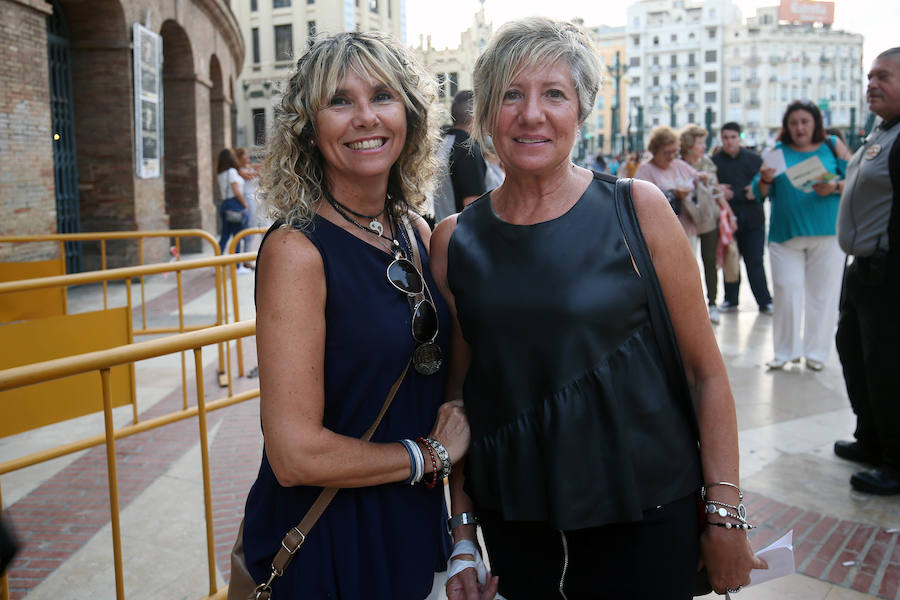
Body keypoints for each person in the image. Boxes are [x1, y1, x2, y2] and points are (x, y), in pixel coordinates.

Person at [430, 17, 763, 599]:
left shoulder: (638, 208)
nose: (532, 113)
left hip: (645, 510)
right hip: (518, 522)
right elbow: (461, 400)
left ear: (580, 111)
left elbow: (705, 371)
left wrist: (724, 513)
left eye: (554, 93)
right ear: (485, 113)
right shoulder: (455, 239)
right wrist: (462, 534)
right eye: (511, 94)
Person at [236, 31, 473, 599]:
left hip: (411, 525)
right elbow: (294, 453)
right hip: (331, 541)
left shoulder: (416, 230)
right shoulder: (297, 251)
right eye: (340, 101)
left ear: (410, 116)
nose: (365, 117)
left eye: (383, 97)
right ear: (308, 128)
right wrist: (430, 455)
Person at [834, 47, 900, 495]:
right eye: (870, 75)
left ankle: (895, 462)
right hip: (861, 270)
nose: (872, 83)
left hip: (888, 272)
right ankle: (871, 438)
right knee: (854, 352)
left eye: (884, 77)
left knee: (888, 367)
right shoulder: (881, 130)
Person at [753, 101, 851, 371]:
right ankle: (785, 352)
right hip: (785, 236)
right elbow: (758, 193)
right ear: (787, 126)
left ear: (815, 123)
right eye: (794, 122)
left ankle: (816, 353)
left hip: (828, 234)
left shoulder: (832, 144)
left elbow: (858, 177)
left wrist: (833, 186)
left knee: (823, 295)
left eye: (805, 121)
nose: (799, 127)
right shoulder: (778, 151)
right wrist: (765, 179)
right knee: (786, 290)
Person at [712, 123, 773, 314]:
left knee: (755, 260)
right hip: (727, 221)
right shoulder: (714, 162)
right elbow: (709, 187)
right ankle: (730, 300)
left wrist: (756, 191)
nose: (729, 141)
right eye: (725, 137)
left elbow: (766, 185)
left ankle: (764, 301)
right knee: (731, 260)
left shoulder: (755, 159)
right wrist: (718, 189)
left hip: (754, 219)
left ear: (740, 138)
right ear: (721, 139)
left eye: (733, 137)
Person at [681, 124, 736, 324]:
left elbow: (716, 192)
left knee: (709, 260)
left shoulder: (706, 164)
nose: (704, 146)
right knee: (688, 262)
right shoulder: (678, 164)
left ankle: (712, 303)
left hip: (708, 217)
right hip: (686, 219)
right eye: (700, 143)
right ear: (689, 145)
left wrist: (730, 215)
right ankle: (689, 304)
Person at [634, 125, 705, 240]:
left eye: (674, 151)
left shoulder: (678, 165)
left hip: (686, 230)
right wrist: (674, 193)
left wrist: (704, 178)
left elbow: (697, 178)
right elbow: (640, 200)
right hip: (660, 234)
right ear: (655, 150)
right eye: (666, 153)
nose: (671, 156)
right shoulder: (645, 170)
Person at [448, 90, 488, 215]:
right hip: (457, 230)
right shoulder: (468, 150)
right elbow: (473, 207)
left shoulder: (438, 144)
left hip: (433, 227)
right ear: (474, 118)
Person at [216, 148, 248, 259]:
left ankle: (217, 261)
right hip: (234, 204)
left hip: (224, 204)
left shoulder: (221, 173)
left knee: (224, 235)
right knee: (237, 236)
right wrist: (245, 204)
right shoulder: (232, 172)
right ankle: (237, 265)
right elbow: (236, 192)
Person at [235, 146, 261, 269]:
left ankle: (252, 257)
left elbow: (260, 167)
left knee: (259, 226)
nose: (247, 157)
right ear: (239, 158)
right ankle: (246, 259)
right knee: (250, 227)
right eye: (244, 155)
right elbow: (250, 175)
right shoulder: (240, 170)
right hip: (248, 199)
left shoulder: (249, 167)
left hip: (255, 199)